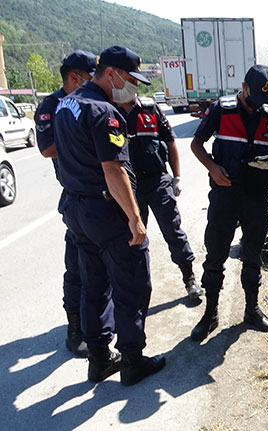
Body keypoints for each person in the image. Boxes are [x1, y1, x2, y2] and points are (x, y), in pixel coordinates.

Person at [53, 45, 165, 386]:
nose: (132, 87)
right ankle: (132, 360)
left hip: (76, 209)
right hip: (105, 211)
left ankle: (99, 359)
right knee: (131, 282)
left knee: (94, 285)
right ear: (111, 73)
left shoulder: (65, 105)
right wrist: (134, 218)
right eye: (130, 79)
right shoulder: (105, 111)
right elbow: (113, 170)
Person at [190, 65, 268, 341]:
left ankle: (251, 310)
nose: (257, 106)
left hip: (257, 195)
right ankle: (210, 313)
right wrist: (212, 167)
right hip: (225, 193)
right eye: (254, 98)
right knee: (216, 253)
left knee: (253, 253)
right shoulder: (221, 110)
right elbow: (196, 144)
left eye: (263, 101)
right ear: (244, 86)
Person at [36, 49, 97, 358]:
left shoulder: (92, 101)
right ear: (76, 77)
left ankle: (100, 324)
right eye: (91, 76)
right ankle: (75, 329)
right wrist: (83, 141)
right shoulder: (51, 105)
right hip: (75, 194)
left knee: (104, 265)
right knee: (76, 266)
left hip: (100, 193)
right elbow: (47, 148)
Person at [116, 95, 204, 301]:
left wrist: (177, 177)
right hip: (130, 185)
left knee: (173, 230)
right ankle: (137, 288)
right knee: (133, 236)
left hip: (158, 181)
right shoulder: (111, 109)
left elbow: (170, 142)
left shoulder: (149, 108)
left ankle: (190, 279)